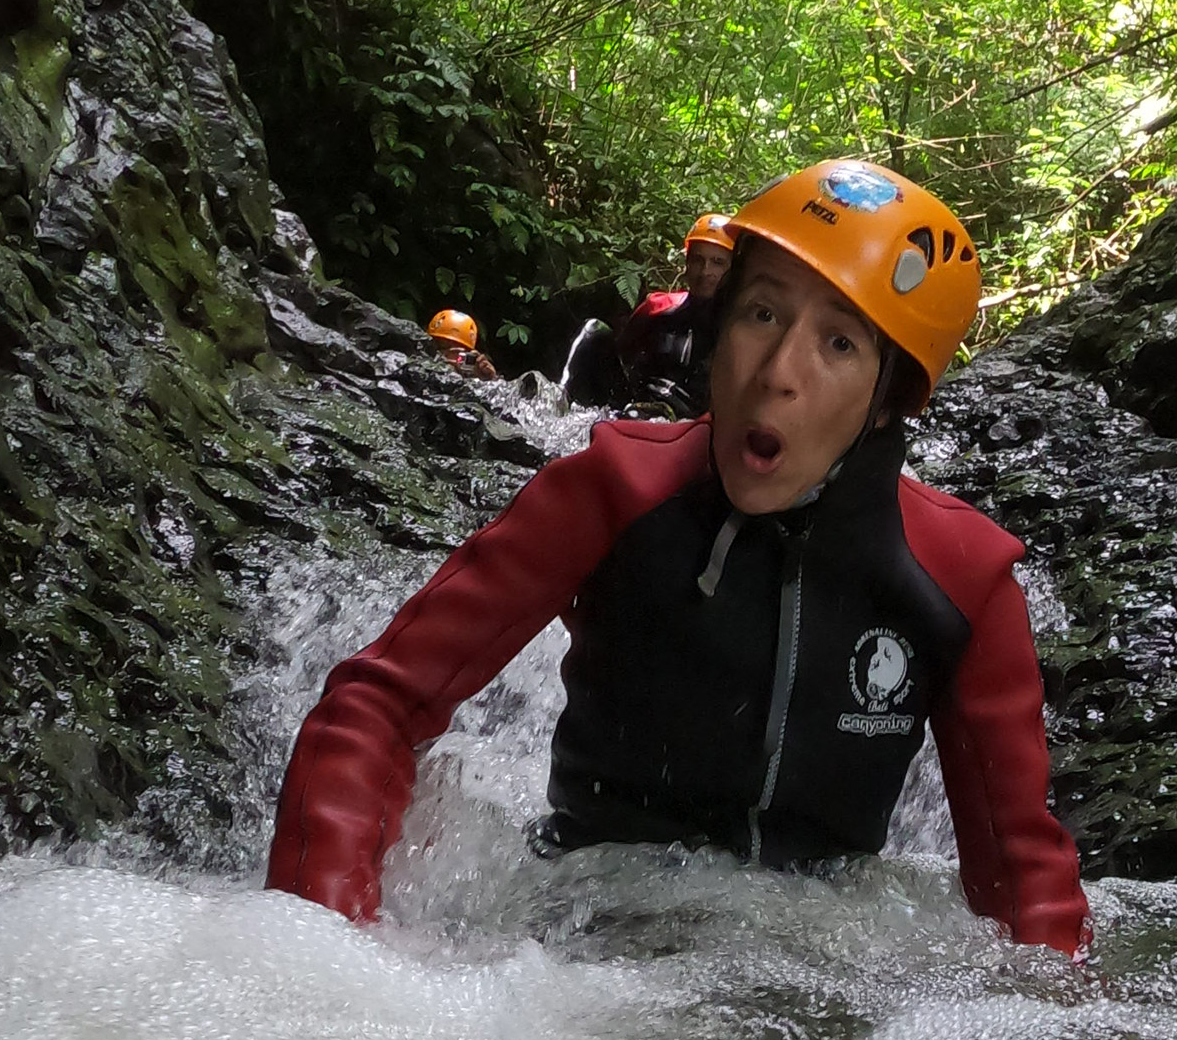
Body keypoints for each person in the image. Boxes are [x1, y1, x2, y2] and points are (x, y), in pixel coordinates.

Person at [268, 161, 1089, 955]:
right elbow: (374, 709)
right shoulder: (610, 488)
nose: (776, 374)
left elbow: (1025, 885)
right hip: (572, 961)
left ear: (890, 403)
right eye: (762, 315)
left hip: (819, 983)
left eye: (838, 344)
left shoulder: (964, 578)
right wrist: (324, 956)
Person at [614, 212, 736, 414]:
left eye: (717, 262)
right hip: (639, 411)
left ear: (733, 269)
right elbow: (622, 359)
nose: (705, 271)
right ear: (687, 263)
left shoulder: (740, 327)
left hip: (697, 427)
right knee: (592, 331)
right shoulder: (657, 308)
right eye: (698, 260)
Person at [426, 308, 501, 380]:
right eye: (443, 347)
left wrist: (490, 379)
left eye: (458, 352)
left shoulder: (471, 384)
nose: (452, 358)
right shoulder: (419, 369)